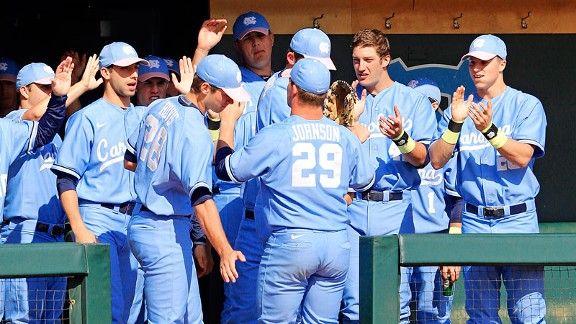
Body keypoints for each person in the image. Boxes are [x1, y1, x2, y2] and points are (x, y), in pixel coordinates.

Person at [215, 58, 374, 323]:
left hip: (291, 243)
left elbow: (226, 170)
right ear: (323, 96)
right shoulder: (345, 135)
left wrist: (227, 123)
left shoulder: (277, 134)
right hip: (335, 244)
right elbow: (365, 182)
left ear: (293, 90)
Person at [429, 34, 547, 323]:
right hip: (475, 220)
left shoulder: (525, 104)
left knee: (528, 314)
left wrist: (491, 131)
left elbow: (522, 156)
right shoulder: (461, 109)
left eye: (484, 62)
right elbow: (436, 158)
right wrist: (455, 123)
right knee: (481, 316)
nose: (477, 68)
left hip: (517, 219)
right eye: (472, 62)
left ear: (502, 63)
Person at [124, 54, 247, 323]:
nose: (229, 102)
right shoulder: (195, 131)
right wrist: (224, 250)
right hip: (161, 229)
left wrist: (162, 177)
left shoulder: (160, 107)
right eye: (225, 95)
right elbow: (201, 200)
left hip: (151, 220)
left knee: (191, 318)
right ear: (205, 88)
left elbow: (129, 160)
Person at [341, 29, 437, 324]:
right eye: (356, 60)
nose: (361, 66)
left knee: (395, 302)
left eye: (368, 59)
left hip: (394, 206)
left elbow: (424, 158)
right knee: (352, 304)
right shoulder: (345, 101)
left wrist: (402, 138)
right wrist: (348, 127)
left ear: (385, 59)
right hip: (353, 207)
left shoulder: (413, 100)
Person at [51, 41, 148, 324]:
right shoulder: (86, 118)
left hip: (137, 219)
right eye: (124, 69)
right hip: (99, 216)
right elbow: (66, 179)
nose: (133, 75)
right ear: (106, 73)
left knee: (135, 312)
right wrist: (79, 227)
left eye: (135, 68)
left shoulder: (144, 116)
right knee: (108, 310)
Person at [0, 57, 72, 322]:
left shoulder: (54, 135)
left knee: (51, 319)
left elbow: (49, 119)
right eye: (44, 87)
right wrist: (80, 88)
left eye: (51, 88)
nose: (50, 92)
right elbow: (40, 114)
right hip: (24, 232)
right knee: (22, 318)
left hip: (56, 234)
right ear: (24, 90)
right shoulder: (13, 123)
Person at [407, 77, 460, 323]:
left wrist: (450, 251)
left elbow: (458, 199)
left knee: (434, 317)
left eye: (423, 101)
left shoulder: (445, 145)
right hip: (401, 240)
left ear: (435, 104)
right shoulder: (399, 143)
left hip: (435, 241)